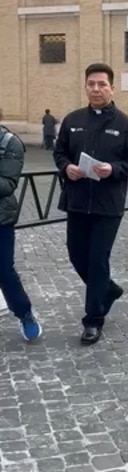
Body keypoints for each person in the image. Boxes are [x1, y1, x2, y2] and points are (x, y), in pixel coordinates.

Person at [54, 63, 128, 345]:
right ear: (85, 86)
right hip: (77, 201)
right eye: (91, 84)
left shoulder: (127, 125)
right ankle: (109, 289)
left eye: (102, 84)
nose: (96, 89)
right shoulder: (73, 120)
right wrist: (66, 167)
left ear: (112, 88)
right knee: (76, 256)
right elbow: (59, 153)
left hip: (108, 204)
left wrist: (114, 169)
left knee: (97, 260)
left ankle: (93, 319)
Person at [0, 122, 42, 340]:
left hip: (0, 218)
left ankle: (24, 313)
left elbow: (7, 184)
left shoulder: (10, 143)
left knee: (4, 271)